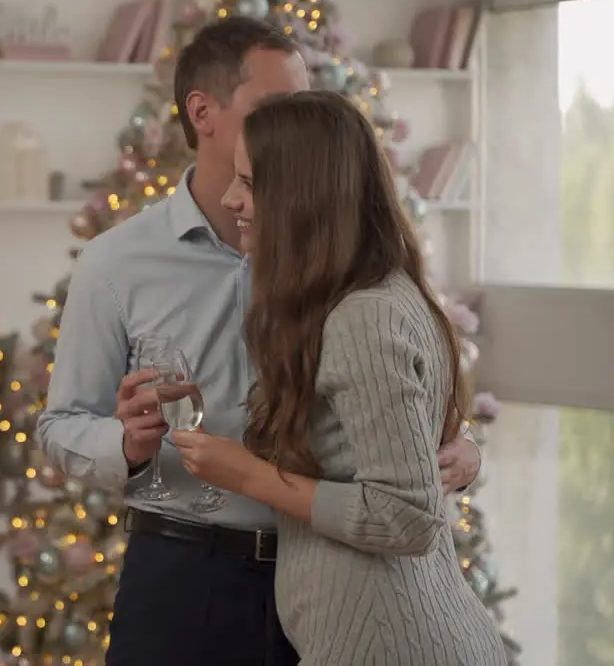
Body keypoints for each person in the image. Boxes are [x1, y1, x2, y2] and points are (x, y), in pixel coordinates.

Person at [35, 16, 485, 666]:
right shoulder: (116, 262)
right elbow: (58, 425)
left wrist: (468, 452)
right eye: (276, 105)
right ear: (203, 113)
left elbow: (409, 398)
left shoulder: (347, 271)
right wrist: (126, 445)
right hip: (190, 579)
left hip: (337, 578)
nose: (293, 120)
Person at [171, 90, 507, 664]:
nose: (231, 200)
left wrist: (246, 473)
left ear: (304, 198)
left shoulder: (362, 317)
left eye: (250, 184)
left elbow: (407, 516)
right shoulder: (375, 296)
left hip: (393, 644)